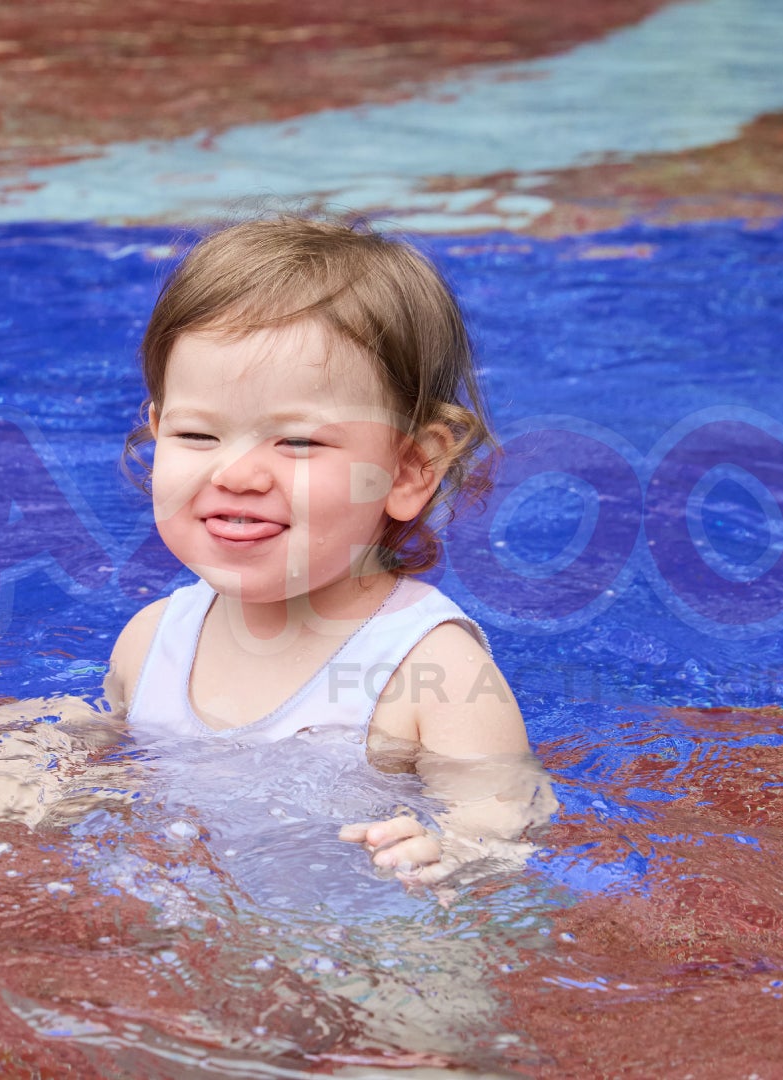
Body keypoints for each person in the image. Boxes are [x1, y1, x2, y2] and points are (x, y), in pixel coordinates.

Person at [102, 213, 553, 885]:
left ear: (408, 469)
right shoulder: (149, 643)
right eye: (198, 436)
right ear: (158, 432)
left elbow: (512, 828)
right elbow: (104, 770)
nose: (237, 474)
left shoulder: (434, 676)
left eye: (300, 442)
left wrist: (459, 854)